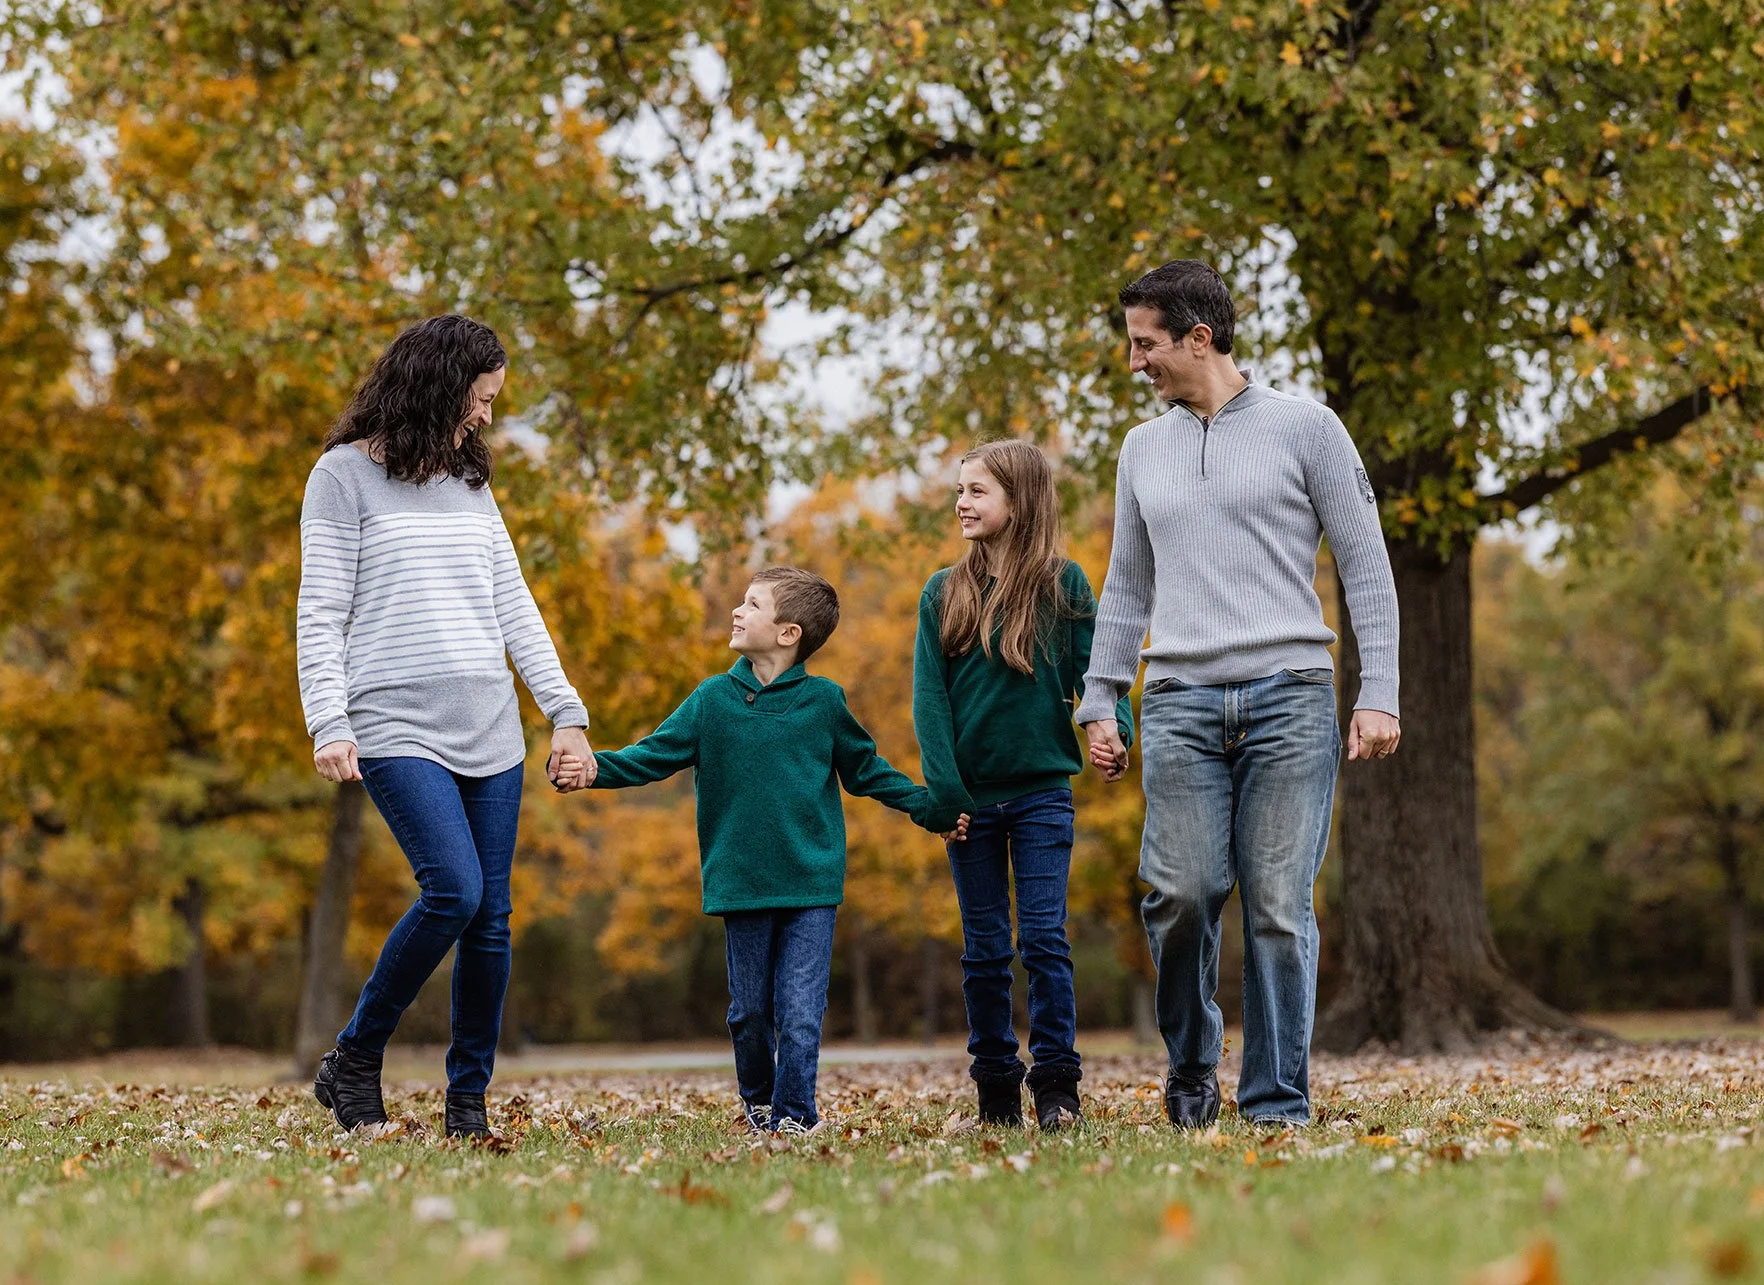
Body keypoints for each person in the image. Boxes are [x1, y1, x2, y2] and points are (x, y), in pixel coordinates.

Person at [1076, 261, 1402, 1129]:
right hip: (1179, 699)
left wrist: (1382, 692)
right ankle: (1191, 1073)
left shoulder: (1309, 428)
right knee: (1178, 894)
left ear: (1198, 337)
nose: (1134, 361)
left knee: (1278, 910)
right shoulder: (1143, 448)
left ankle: (1274, 1103)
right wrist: (1100, 696)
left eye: (1145, 343)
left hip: (1290, 697)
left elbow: (1367, 566)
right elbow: (1126, 586)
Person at [295, 314, 596, 1139]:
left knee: (491, 919)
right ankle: (355, 1058)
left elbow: (513, 603)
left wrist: (563, 710)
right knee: (453, 892)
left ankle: (469, 1102)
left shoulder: (470, 481)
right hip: (394, 722)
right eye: (483, 397)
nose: (489, 416)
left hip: (491, 726)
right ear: (438, 385)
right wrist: (329, 718)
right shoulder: (340, 479)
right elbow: (320, 611)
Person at [555, 567, 965, 1134]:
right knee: (749, 1015)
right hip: (741, 881)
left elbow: (867, 771)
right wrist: (592, 769)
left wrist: (929, 808)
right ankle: (761, 1106)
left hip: (810, 884)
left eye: (752, 604)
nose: (737, 611)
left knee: (799, 1015)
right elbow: (653, 755)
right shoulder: (712, 701)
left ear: (788, 633)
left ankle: (796, 1117)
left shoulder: (824, 702)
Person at [911, 439, 1133, 1131]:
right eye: (959, 491)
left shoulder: (1064, 585)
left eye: (977, 491)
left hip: (1041, 795)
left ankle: (1058, 1090)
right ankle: (996, 1092)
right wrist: (944, 796)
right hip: (969, 804)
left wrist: (1110, 724)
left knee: (1043, 939)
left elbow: (1096, 672)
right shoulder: (942, 592)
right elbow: (931, 703)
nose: (962, 504)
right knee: (983, 951)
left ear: (1020, 499)